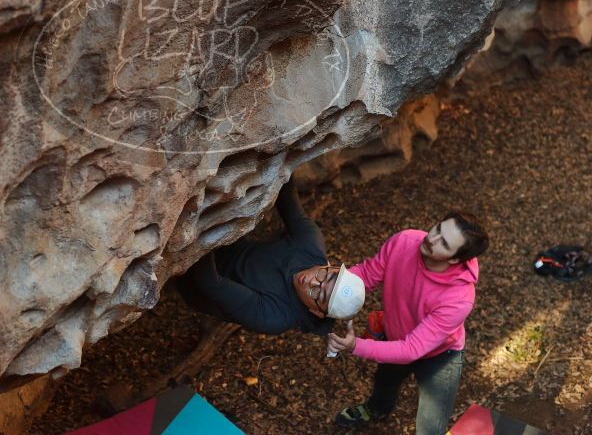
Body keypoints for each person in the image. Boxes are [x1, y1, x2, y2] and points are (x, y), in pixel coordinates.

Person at [327, 212, 490, 434]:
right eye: (437, 229)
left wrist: (355, 346)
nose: (430, 239)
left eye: (443, 242)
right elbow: (366, 274)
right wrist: (331, 288)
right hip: (395, 336)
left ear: (454, 259)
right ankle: (377, 409)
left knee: (431, 421)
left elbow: (411, 349)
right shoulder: (405, 241)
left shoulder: (459, 298)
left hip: (440, 356)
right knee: (384, 382)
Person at [177, 176, 365, 336]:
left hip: (196, 281)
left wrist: (204, 222)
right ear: (330, 266)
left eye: (318, 294)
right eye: (324, 276)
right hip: (233, 249)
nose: (312, 282)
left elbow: (210, 282)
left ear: (316, 312)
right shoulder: (311, 246)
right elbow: (287, 196)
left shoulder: (275, 317)